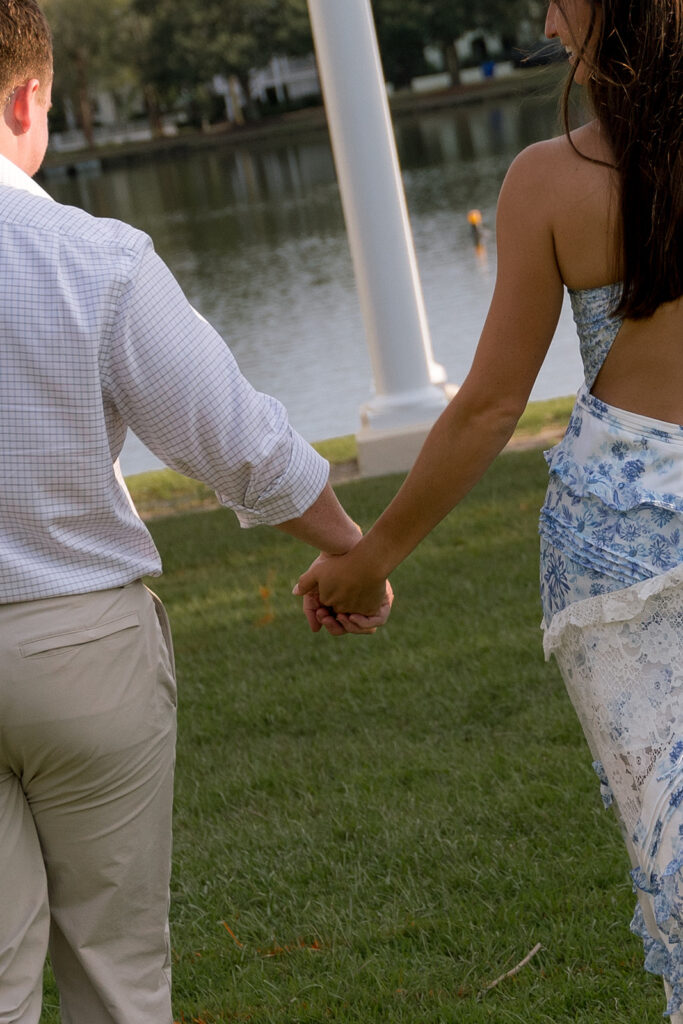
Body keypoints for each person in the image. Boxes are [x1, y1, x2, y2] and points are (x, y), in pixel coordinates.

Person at [0, 2, 392, 1021]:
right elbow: (243, 443)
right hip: (81, 646)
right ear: (27, 95)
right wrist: (354, 554)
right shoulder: (96, 260)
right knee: (119, 977)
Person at [296, 0, 683, 1017]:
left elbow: (487, 408)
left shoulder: (549, 181)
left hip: (619, 547)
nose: (546, 24)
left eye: (556, 0)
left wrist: (371, 555)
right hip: (620, 564)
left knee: (676, 862)